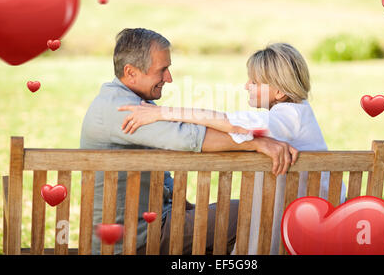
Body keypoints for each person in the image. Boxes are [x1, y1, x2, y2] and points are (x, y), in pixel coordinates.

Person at [80, 28, 299, 255]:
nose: (169, 78)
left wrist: (183, 205)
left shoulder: (130, 102)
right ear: (131, 72)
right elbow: (190, 137)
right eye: (162, 70)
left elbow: (166, 167)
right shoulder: (123, 109)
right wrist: (256, 143)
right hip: (135, 240)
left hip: (149, 227)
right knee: (252, 211)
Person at [118, 42, 346, 255]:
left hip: (305, 229)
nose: (247, 86)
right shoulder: (295, 112)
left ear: (279, 92)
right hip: (306, 222)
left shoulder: (288, 117)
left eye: (254, 82)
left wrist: (161, 113)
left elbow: (233, 123)